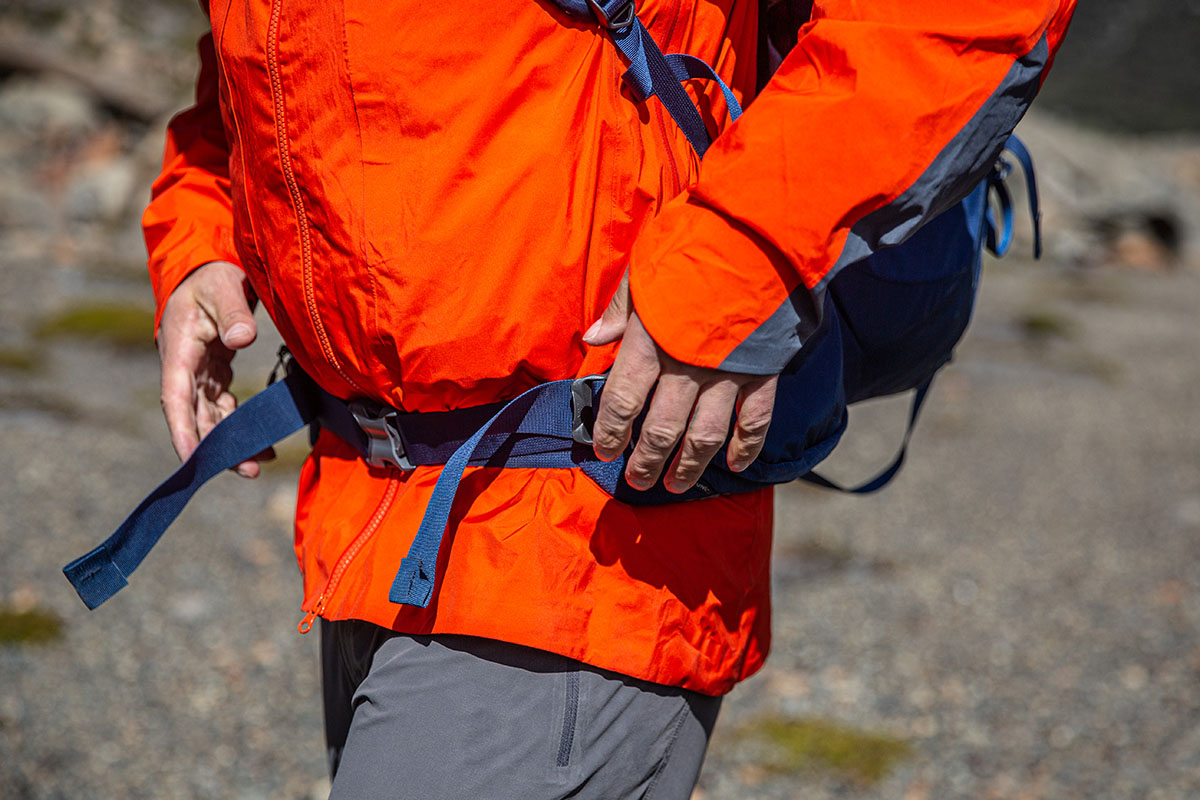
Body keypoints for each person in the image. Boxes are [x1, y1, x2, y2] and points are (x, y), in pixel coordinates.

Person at [146, 0, 1076, 797]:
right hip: (367, 508)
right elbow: (274, 52)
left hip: (587, 517)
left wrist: (744, 255)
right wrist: (206, 224)